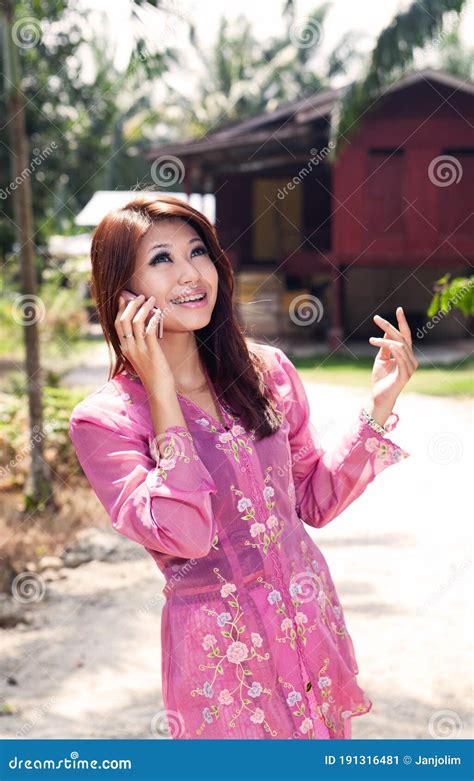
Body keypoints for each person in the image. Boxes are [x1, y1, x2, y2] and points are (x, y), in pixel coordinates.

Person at [69, 193, 418, 740]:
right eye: (162, 259)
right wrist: (161, 390)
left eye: (198, 252)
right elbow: (184, 535)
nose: (190, 274)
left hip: (307, 619)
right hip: (221, 654)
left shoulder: (266, 371)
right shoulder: (104, 421)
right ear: (124, 292)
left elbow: (313, 501)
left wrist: (380, 404)